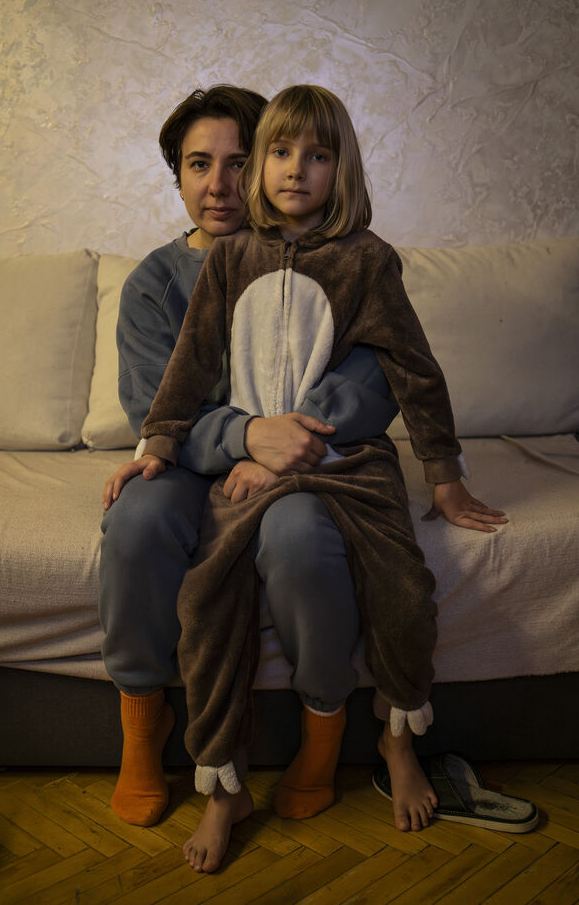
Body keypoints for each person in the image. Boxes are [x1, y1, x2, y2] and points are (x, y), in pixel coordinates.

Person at [134, 84, 507, 870]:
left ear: (343, 169)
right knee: (206, 601)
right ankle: (224, 785)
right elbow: (191, 362)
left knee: (404, 585)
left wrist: (444, 476)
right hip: (252, 466)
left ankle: (397, 739)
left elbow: (413, 370)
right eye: (280, 152)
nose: (295, 169)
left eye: (318, 155)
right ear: (260, 166)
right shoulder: (230, 258)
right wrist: (158, 445)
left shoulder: (367, 261)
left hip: (349, 464)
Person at [100, 84, 400, 842]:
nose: (220, 185)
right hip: (191, 462)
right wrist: (245, 434)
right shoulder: (153, 284)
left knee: (301, 538)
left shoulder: (330, 260)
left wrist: (286, 439)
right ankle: (142, 730)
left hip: (295, 462)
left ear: (268, 163)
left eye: (240, 162)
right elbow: (156, 407)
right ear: (177, 177)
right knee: (135, 523)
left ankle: (323, 736)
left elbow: (373, 370)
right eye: (199, 164)